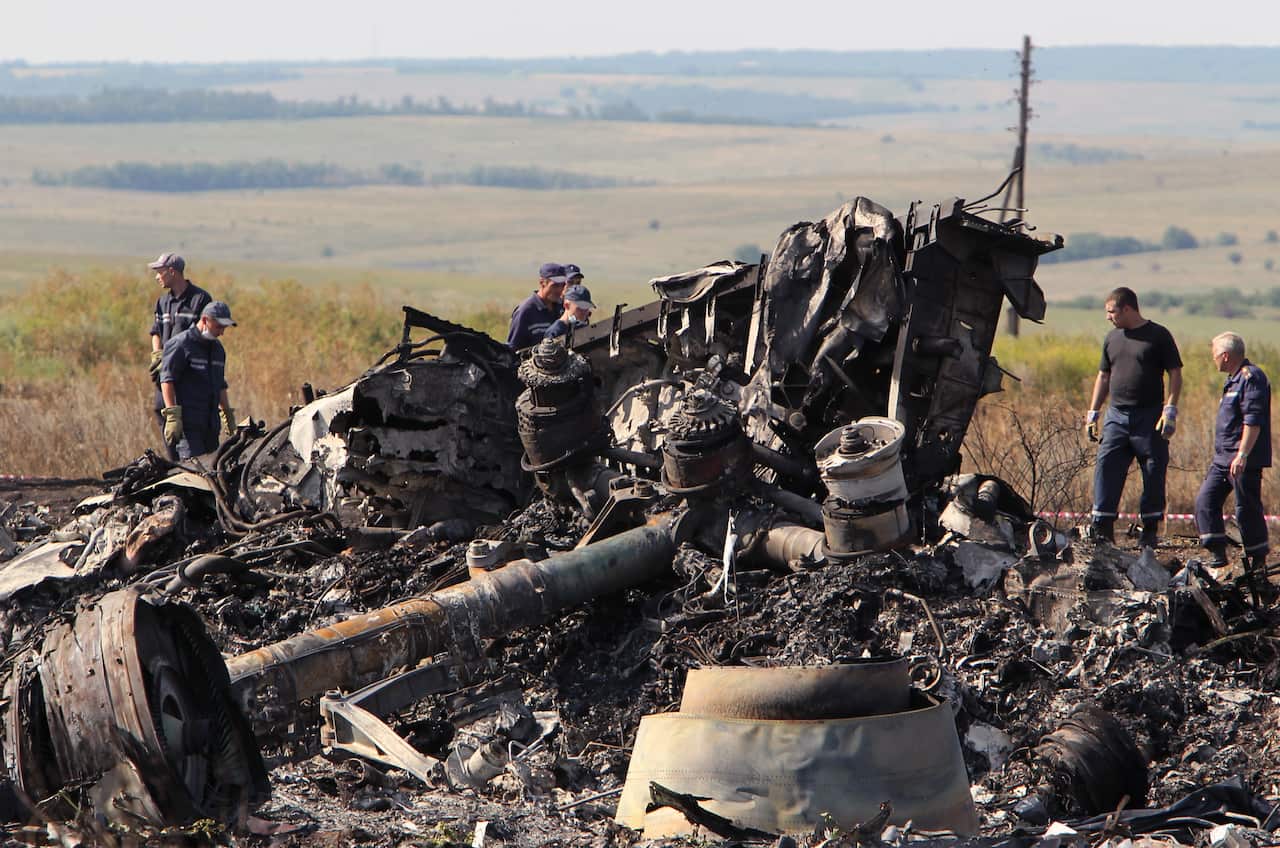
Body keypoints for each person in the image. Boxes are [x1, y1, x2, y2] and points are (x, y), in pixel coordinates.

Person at [1084, 287, 1183, 548]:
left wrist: (1170, 410)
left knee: (1153, 469)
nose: (1108, 317)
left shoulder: (1158, 335)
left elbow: (1175, 373)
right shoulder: (1112, 338)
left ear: (1127, 309)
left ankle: (1149, 530)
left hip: (1149, 416)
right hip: (1116, 416)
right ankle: (1103, 528)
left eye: (1111, 311)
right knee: (1106, 467)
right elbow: (1103, 376)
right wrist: (1093, 412)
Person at [1194, 332, 1271, 576]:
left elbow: (1253, 420)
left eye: (1214, 355)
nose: (1213, 359)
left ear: (1225, 356)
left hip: (1241, 459)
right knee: (1205, 501)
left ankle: (1257, 564)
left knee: (1246, 509)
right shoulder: (1233, 380)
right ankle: (1218, 556)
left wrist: (1243, 455)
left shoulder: (1252, 378)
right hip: (1222, 459)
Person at [147, 253, 212, 458]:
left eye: (159, 272)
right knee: (162, 411)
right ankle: (173, 464)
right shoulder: (162, 302)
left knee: (189, 420)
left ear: (172, 272)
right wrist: (157, 354)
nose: (157, 277)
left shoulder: (200, 299)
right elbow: (156, 331)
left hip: (188, 374)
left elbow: (203, 334)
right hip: (165, 373)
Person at [159, 301, 238, 460]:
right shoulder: (181, 344)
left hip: (210, 425)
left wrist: (227, 413)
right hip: (189, 426)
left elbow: (220, 384)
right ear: (204, 320)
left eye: (224, 328)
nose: (221, 332)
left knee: (213, 471)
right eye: (218, 327)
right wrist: (172, 415)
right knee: (195, 472)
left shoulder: (218, 350)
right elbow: (167, 379)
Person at [507, 263, 567, 349]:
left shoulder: (563, 308)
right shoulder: (525, 311)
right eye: (555, 285)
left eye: (563, 285)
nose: (559, 290)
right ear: (542, 283)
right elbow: (513, 349)